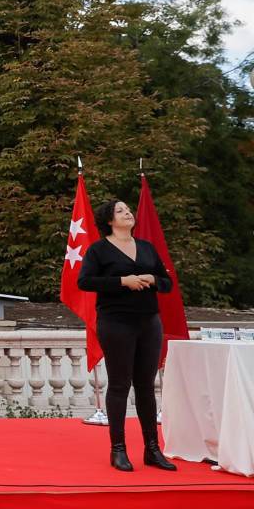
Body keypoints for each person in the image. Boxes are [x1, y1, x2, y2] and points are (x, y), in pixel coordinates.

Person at [78, 199, 176, 472]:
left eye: (128, 209)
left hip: (149, 322)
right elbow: (84, 282)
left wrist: (153, 279)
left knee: (146, 385)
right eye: (120, 211)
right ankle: (118, 449)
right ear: (109, 220)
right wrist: (123, 281)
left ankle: (152, 449)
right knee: (120, 384)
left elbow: (167, 282)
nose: (127, 213)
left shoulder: (146, 247)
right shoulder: (99, 250)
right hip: (116, 322)